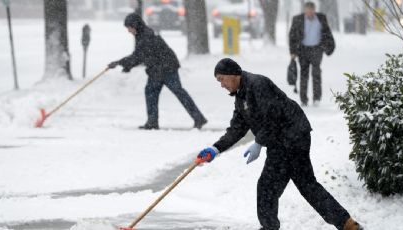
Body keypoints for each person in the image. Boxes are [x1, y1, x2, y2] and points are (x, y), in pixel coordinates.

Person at [197, 58, 362, 230]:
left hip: (293, 135)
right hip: (281, 141)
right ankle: (347, 224)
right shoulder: (241, 97)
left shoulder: (257, 84)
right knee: (301, 186)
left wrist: (259, 143)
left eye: (221, 79)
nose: (221, 85)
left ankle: (271, 227)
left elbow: (273, 115)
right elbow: (236, 129)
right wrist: (215, 149)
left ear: (233, 74)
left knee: (270, 187)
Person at [108, 13, 207, 130]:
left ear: (135, 25)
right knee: (152, 92)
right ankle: (153, 122)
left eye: (129, 27)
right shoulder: (142, 34)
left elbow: (138, 56)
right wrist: (126, 65)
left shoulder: (145, 36)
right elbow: (141, 56)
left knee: (176, 92)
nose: (128, 31)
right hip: (158, 69)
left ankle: (196, 118)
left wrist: (120, 63)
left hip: (166, 68)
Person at [289, 1, 335, 106]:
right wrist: (293, 52)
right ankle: (304, 99)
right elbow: (292, 36)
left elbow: (327, 33)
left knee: (316, 74)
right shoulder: (297, 19)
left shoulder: (321, 18)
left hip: (317, 49)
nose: (310, 13)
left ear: (314, 10)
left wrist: (328, 47)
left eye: (311, 11)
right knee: (304, 74)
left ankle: (317, 98)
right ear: (305, 11)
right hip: (303, 50)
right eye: (308, 11)